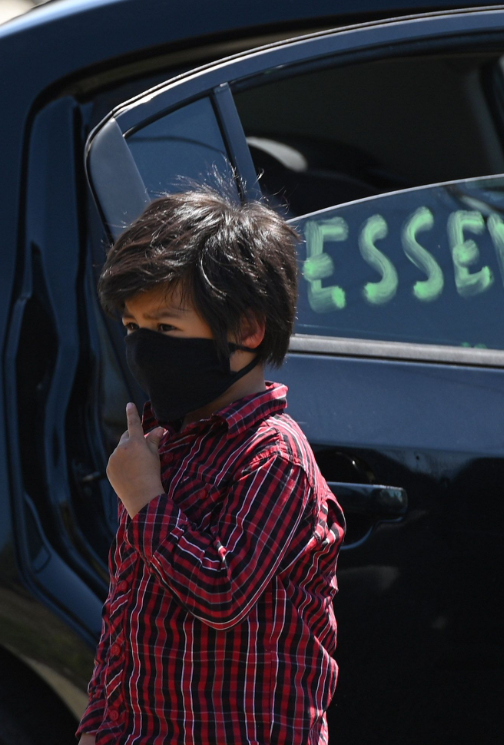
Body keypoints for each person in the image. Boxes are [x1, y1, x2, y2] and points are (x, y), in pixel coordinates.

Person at [80, 190, 344, 745]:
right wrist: (99, 727)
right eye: (133, 328)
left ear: (246, 331)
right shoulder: (166, 446)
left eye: (167, 329)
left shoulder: (274, 458)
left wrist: (148, 501)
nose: (145, 349)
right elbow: (126, 613)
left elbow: (221, 594)